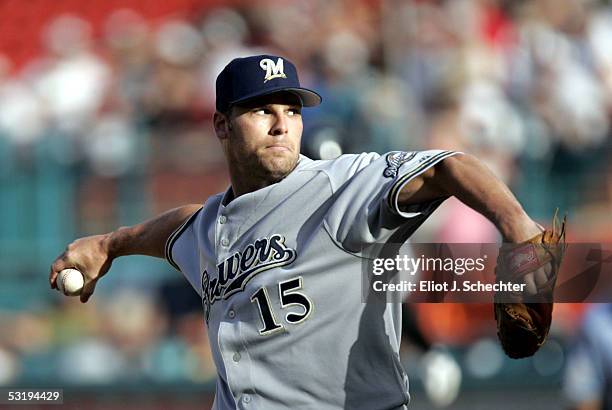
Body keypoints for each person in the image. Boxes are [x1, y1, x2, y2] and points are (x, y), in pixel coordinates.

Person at [50, 55, 548, 409]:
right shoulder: (204, 228)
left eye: (291, 110)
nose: (281, 124)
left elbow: (448, 166)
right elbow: (177, 226)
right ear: (222, 126)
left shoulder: (342, 187)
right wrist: (109, 244)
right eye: (262, 110)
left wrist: (518, 228)